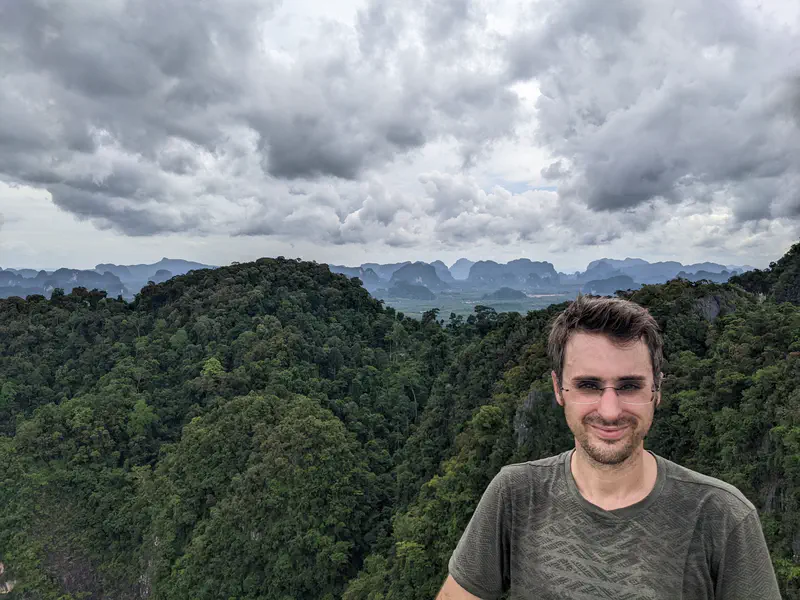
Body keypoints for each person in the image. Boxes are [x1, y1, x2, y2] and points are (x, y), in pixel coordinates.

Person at [436, 296, 781, 599]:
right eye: (588, 385)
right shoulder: (515, 494)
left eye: (629, 386)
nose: (610, 411)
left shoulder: (722, 516)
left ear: (656, 390)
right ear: (558, 389)